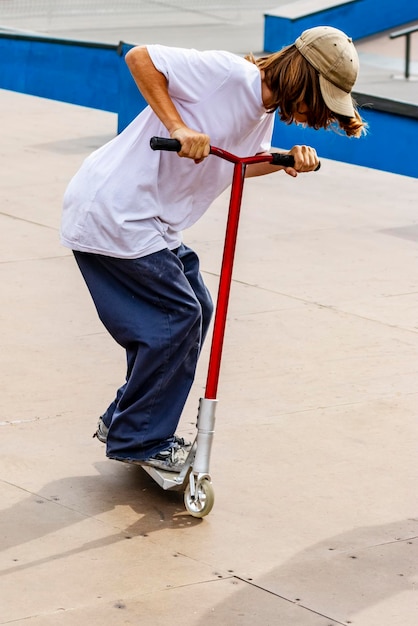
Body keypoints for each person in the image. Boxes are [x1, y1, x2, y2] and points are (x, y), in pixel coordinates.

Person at [61, 26, 366, 472]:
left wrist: (285, 160)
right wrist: (178, 126)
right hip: (116, 210)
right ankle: (139, 438)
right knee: (177, 319)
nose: (313, 114)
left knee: (195, 307)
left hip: (152, 220)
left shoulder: (261, 111)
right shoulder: (229, 75)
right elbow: (142, 58)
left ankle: (124, 422)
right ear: (302, 76)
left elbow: (236, 165)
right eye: (318, 101)